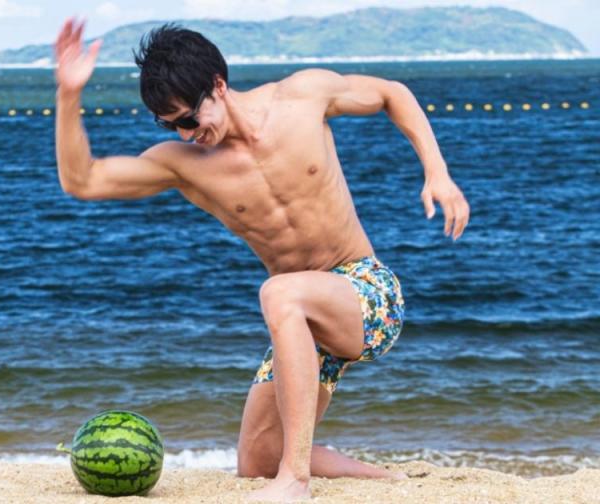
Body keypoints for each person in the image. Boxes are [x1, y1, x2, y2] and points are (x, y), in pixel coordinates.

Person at [53, 18, 470, 502]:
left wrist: (437, 172)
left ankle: (295, 481)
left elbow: (393, 93)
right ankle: (389, 481)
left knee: (279, 291)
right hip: (302, 322)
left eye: (189, 118)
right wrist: (68, 95)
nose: (187, 134)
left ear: (219, 85)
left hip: (366, 293)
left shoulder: (302, 97)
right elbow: (81, 180)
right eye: (170, 126)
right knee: (255, 461)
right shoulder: (184, 166)